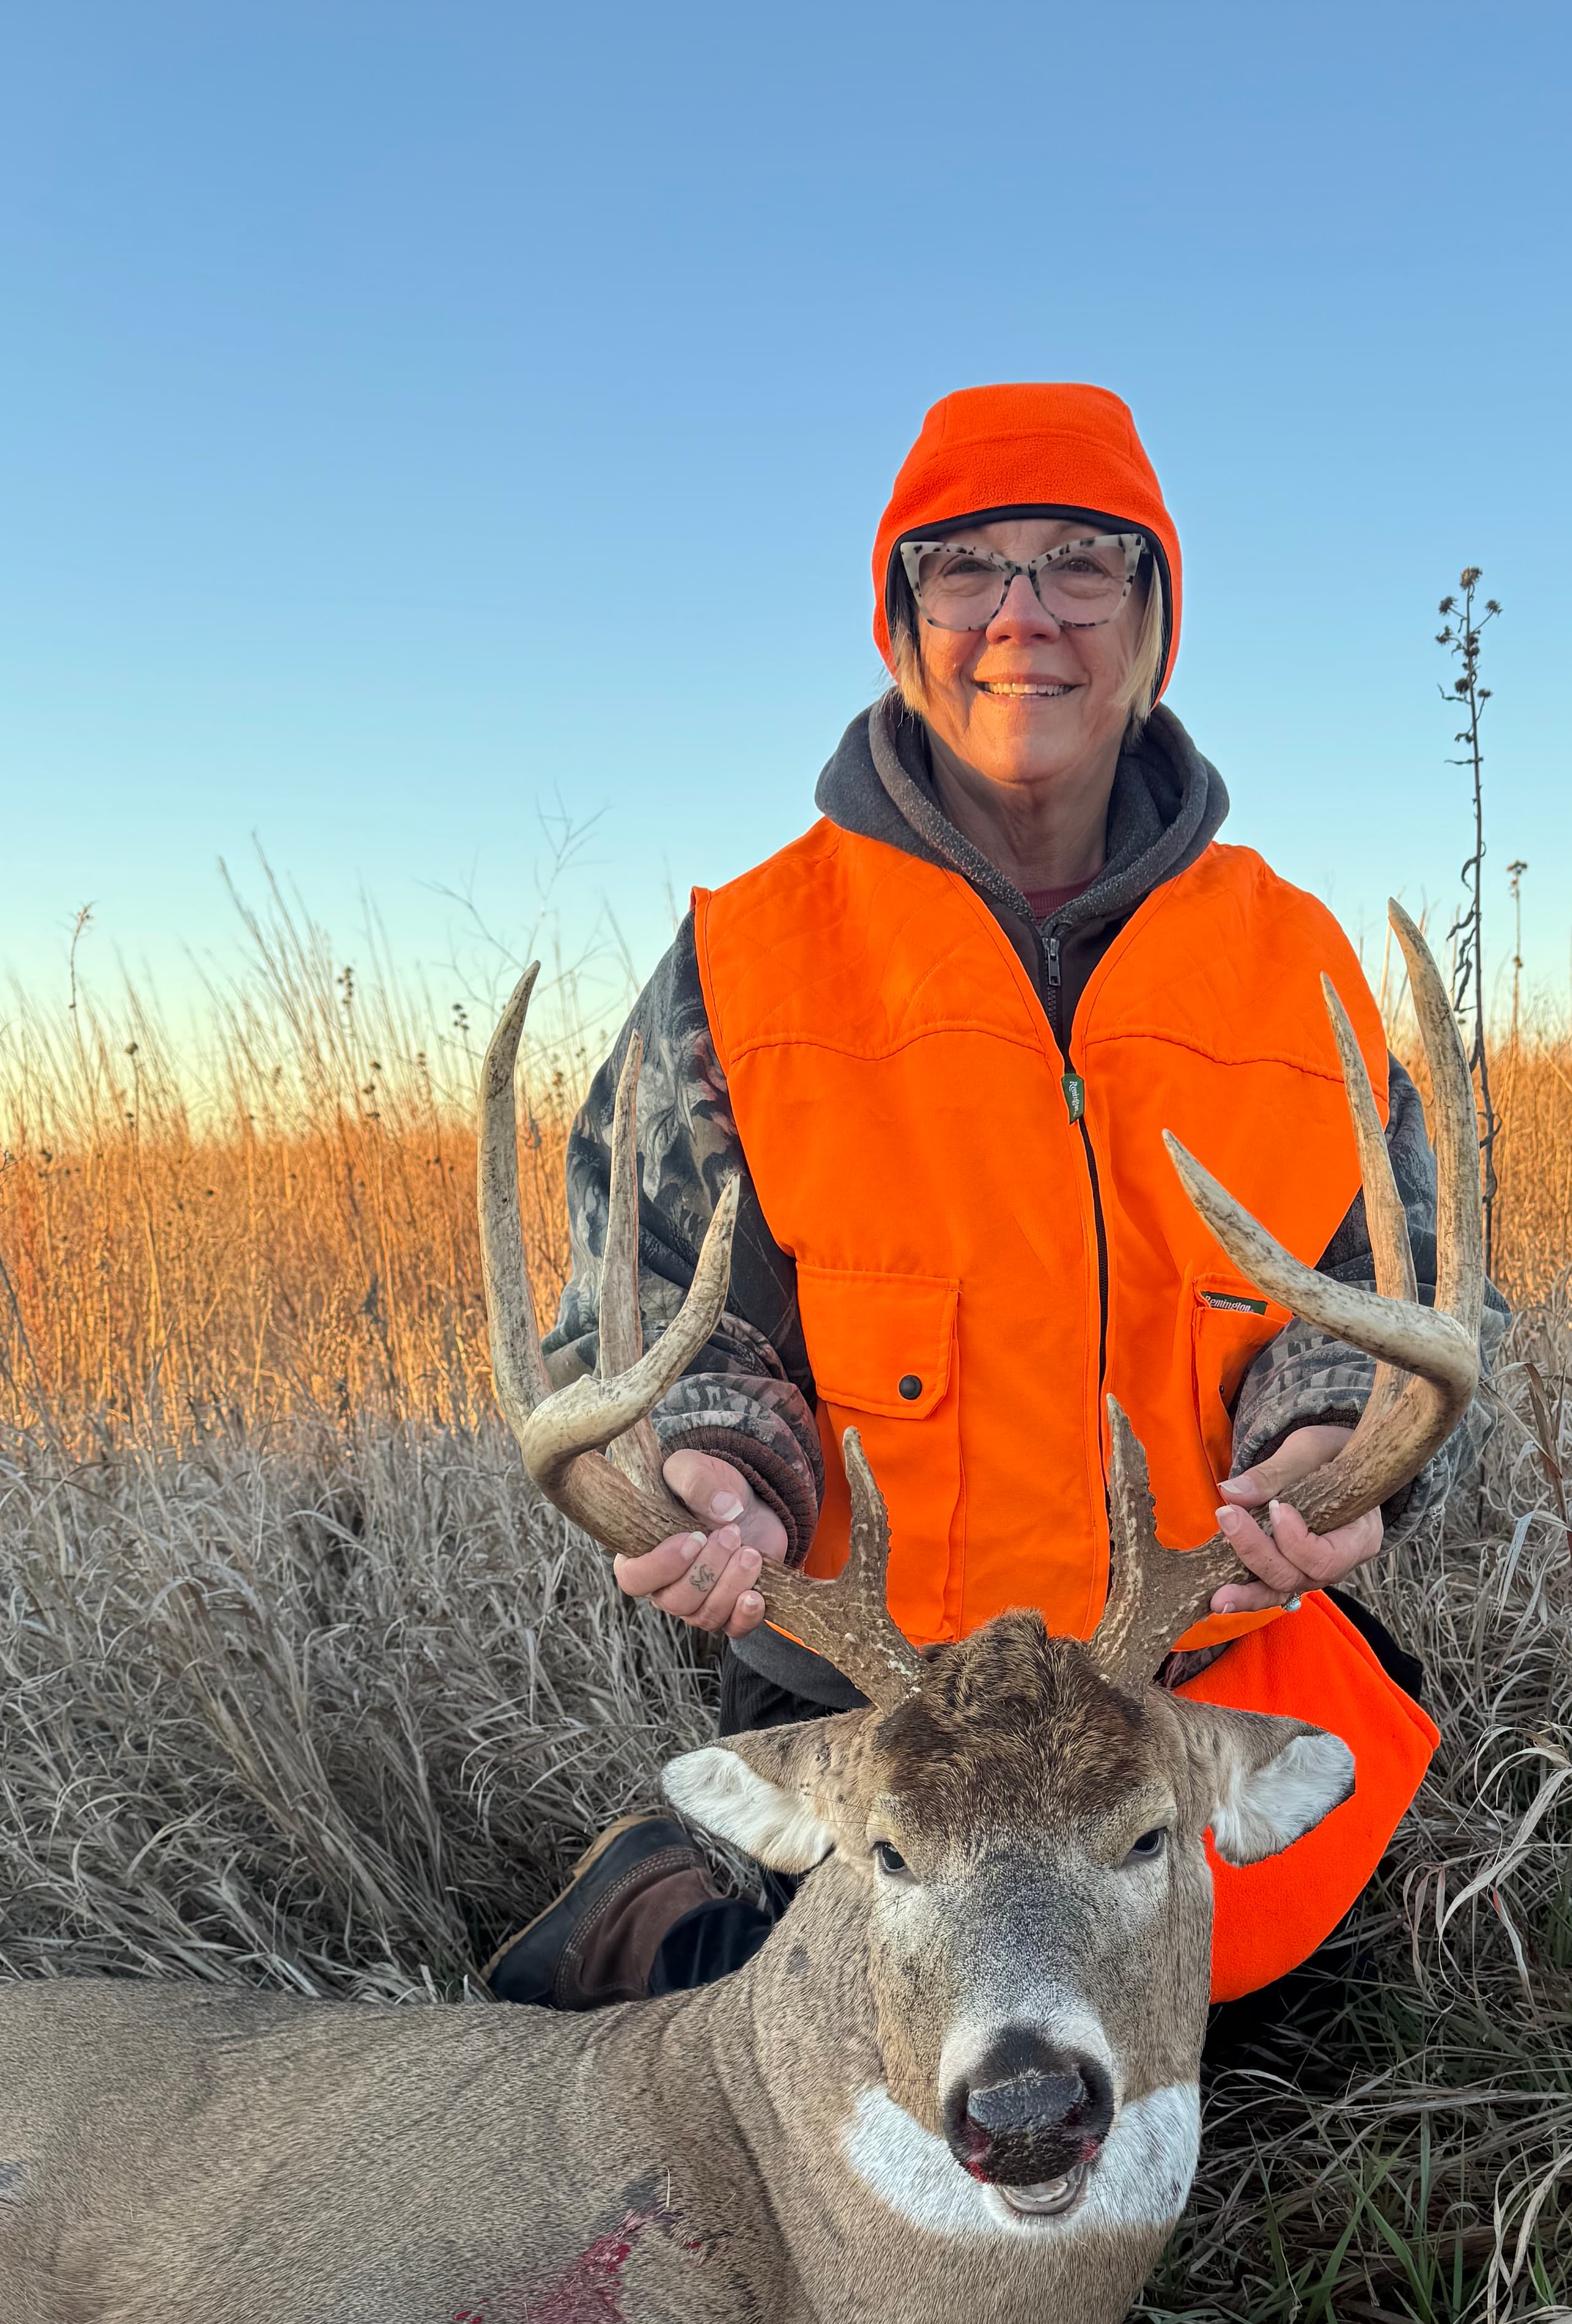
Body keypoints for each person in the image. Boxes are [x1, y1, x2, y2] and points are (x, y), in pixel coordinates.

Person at [487, 382, 1504, 2015]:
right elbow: (656, 1302)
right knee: (861, 2070)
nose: (1023, 616)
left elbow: (1396, 1283)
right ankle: (668, 1919)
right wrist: (719, 1464)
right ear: (903, 629)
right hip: (891, 1700)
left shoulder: (1290, 960)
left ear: (1153, 622)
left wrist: (1327, 1438)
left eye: (1084, 562)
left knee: (1256, 2017)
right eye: (963, 566)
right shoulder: (751, 960)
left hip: (1183, 1663)